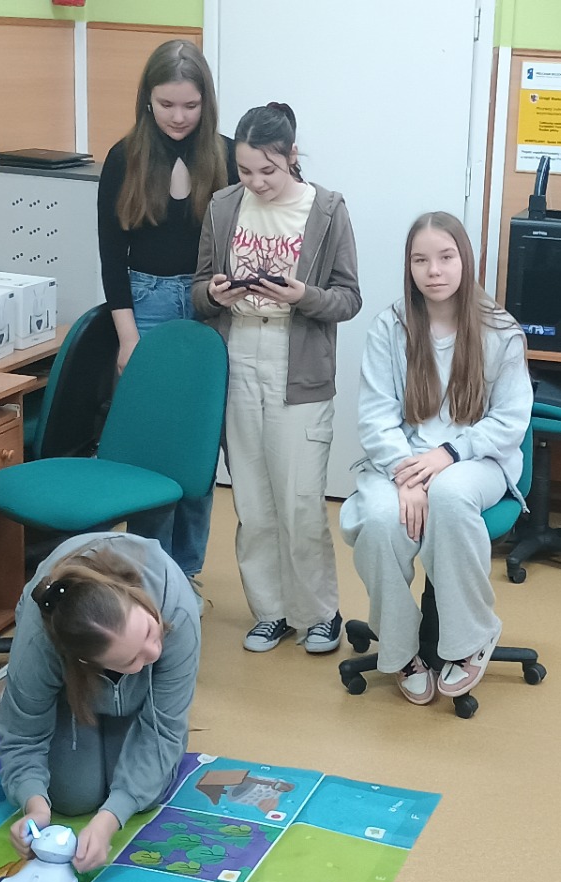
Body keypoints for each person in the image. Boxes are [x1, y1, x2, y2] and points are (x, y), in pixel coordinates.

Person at [341, 212, 532, 703]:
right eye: (420, 260)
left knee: (448, 494)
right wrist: (404, 476)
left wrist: (450, 453)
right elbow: (376, 416)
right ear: (409, 267)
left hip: (477, 460)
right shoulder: (390, 327)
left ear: (465, 259)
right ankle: (401, 648)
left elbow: (510, 420)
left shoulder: (500, 331)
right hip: (401, 461)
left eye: (446, 257)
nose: (434, 271)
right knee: (380, 518)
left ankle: (472, 637)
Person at [192, 103, 361, 656]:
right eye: (245, 170)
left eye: (268, 170)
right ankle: (270, 612)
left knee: (301, 501)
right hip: (238, 354)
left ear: (292, 156)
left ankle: (320, 614)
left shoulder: (327, 210)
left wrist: (303, 295)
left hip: (298, 363)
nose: (256, 182)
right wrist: (213, 293)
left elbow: (348, 298)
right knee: (253, 502)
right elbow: (197, 289)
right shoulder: (223, 206)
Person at [95, 39, 232, 580]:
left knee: (197, 450)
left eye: (190, 105)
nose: (178, 117)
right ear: (146, 100)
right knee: (151, 450)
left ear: (207, 102)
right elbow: (111, 258)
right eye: (166, 104)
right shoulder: (123, 157)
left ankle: (186, 574)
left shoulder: (227, 155)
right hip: (144, 304)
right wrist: (128, 338)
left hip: (207, 308)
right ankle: (150, 577)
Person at [0, 533, 200, 873]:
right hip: (74, 683)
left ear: (134, 597)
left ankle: (117, 682)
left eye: (149, 633)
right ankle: (20, 683)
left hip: (129, 686)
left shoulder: (176, 609)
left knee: (143, 795)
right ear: (85, 662)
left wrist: (110, 819)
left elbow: (164, 729)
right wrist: (34, 804)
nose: (154, 653)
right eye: (130, 660)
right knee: (71, 798)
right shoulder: (41, 642)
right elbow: (22, 736)